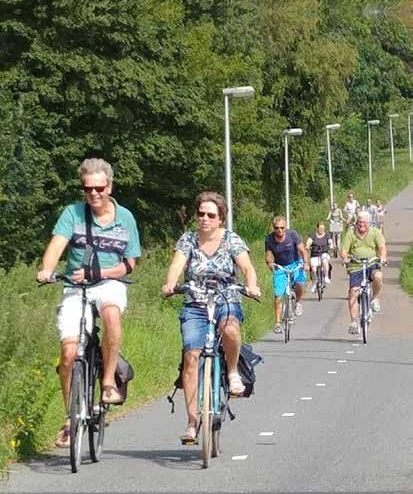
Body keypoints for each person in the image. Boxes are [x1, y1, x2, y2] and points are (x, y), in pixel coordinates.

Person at [37, 158, 141, 447]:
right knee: (69, 352)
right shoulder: (72, 213)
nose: (93, 194)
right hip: (75, 285)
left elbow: (129, 263)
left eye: (99, 188)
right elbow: (57, 245)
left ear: (109, 186)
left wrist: (100, 272)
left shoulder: (126, 218)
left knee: (110, 314)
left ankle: (108, 382)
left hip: (109, 282)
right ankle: (70, 417)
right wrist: (47, 269)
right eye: (87, 189)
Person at [161, 191, 260, 444]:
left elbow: (247, 267)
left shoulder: (231, 240)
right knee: (191, 356)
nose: (204, 219)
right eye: (201, 214)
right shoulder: (188, 240)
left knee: (230, 329)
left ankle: (232, 372)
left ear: (220, 219)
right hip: (196, 303)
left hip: (226, 299)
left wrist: (251, 286)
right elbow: (176, 265)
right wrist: (170, 283)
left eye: (211, 215)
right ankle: (192, 422)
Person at [341, 210, 387, 335]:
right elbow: (344, 249)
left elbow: (382, 247)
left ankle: (374, 299)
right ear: (356, 223)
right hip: (356, 266)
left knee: (378, 276)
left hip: (372, 263)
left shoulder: (375, 232)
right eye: (359, 222)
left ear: (369, 223)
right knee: (353, 292)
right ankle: (354, 322)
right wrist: (345, 258)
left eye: (364, 223)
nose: (361, 225)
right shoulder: (351, 233)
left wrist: (383, 257)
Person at [265, 216, 309, 333]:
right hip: (280, 266)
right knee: (278, 294)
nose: (279, 230)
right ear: (273, 228)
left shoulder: (292, 235)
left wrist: (305, 263)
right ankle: (278, 322)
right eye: (276, 228)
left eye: (282, 228)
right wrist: (270, 264)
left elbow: (303, 250)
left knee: (299, 283)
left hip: (295, 263)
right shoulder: (269, 239)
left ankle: (298, 302)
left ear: (285, 228)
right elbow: (268, 255)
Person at [306, 222, 333, 293]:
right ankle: (314, 283)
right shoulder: (313, 235)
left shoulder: (327, 235)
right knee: (314, 269)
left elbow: (330, 241)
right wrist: (308, 245)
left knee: (324, 260)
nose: (321, 230)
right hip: (314, 254)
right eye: (320, 228)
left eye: (323, 228)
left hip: (324, 253)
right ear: (317, 228)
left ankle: (326, 276)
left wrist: (331, 245)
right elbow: (309, 241)